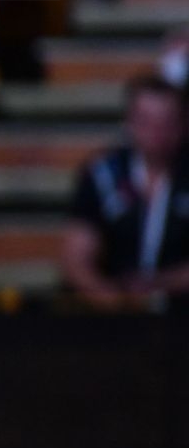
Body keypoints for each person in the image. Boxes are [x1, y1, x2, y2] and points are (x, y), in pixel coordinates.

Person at [61, 77, 189, 310]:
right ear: (129, 121)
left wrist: (160, 284)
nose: (156, 132)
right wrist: (109, 298)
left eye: (167, 122)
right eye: (146, 121)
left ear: (184, 123)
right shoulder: (103, 175)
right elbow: (76, 257)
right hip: (113, 313)